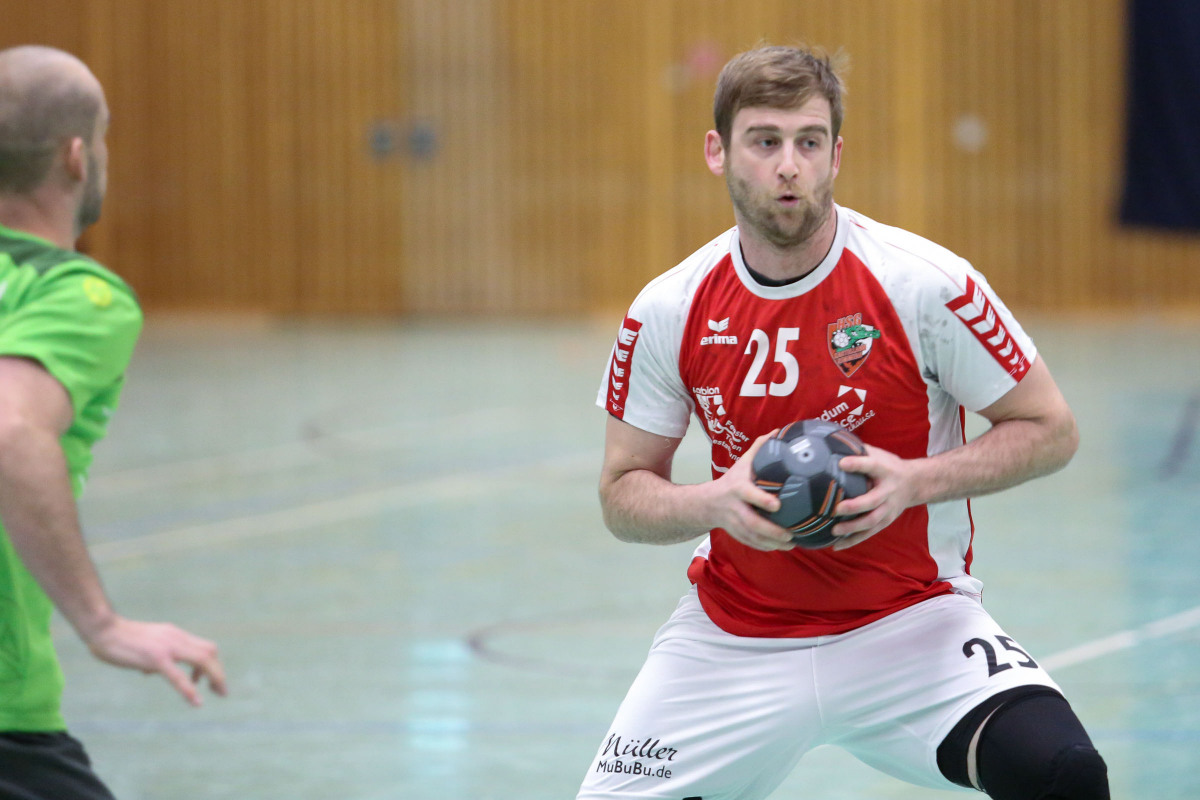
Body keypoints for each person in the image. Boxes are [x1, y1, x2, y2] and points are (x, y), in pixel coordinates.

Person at [580, 45, 1108, 799]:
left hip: (909, 625)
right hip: (732, 638)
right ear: (717, 151)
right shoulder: (669, 307)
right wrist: (714, 501)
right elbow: (621, 492)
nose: (788, 166)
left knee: (1064, 773)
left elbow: (1051, 429)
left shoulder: (924, 285)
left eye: (809, 142)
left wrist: (913, 482)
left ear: (836, 155)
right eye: (765, 141)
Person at [0, 45, 227, 799]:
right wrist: (101, 622)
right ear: (76, 156)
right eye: (103, 135)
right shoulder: (71, 296)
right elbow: (10, 427)